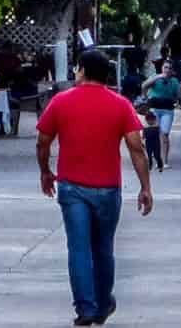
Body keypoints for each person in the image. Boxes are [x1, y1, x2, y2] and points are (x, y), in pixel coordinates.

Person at [36, 48, 153, 327]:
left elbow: (42, 141)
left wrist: (44, 171)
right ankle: (102, 305)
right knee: (103, 248)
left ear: (83, 71)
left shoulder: (61, 102)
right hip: (108, 190)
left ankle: (85, 309)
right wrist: (145, 187)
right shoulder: (121, 104)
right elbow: (136, 148)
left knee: (78, 249)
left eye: (77, 68)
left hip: (72, 188)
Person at [141, 60, 180, 168]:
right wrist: (145, 97)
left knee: (165, 134)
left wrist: (174, 100)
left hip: (167, 109)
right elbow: (144, 86)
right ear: (162, 68)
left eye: (170, 68)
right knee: (152, 134)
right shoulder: (155, 78)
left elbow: (177, 96)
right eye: (165, 67)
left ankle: (165, 161)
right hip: (154, 109)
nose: (167, 70)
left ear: (172, 70)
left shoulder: (174, 81)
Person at [139, 104, 164, 172]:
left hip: (156, 142)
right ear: (146, 120)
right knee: (149, 155)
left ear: (154, 120)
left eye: (152, 120)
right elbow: (143, 136)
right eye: (149, 120)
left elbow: (161, 135)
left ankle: (160, 166)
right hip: (148, 142)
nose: (150, 121)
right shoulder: (145, 127)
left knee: (157, 155)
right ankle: (149, 166)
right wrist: (142, 142)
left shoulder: (157, 126)